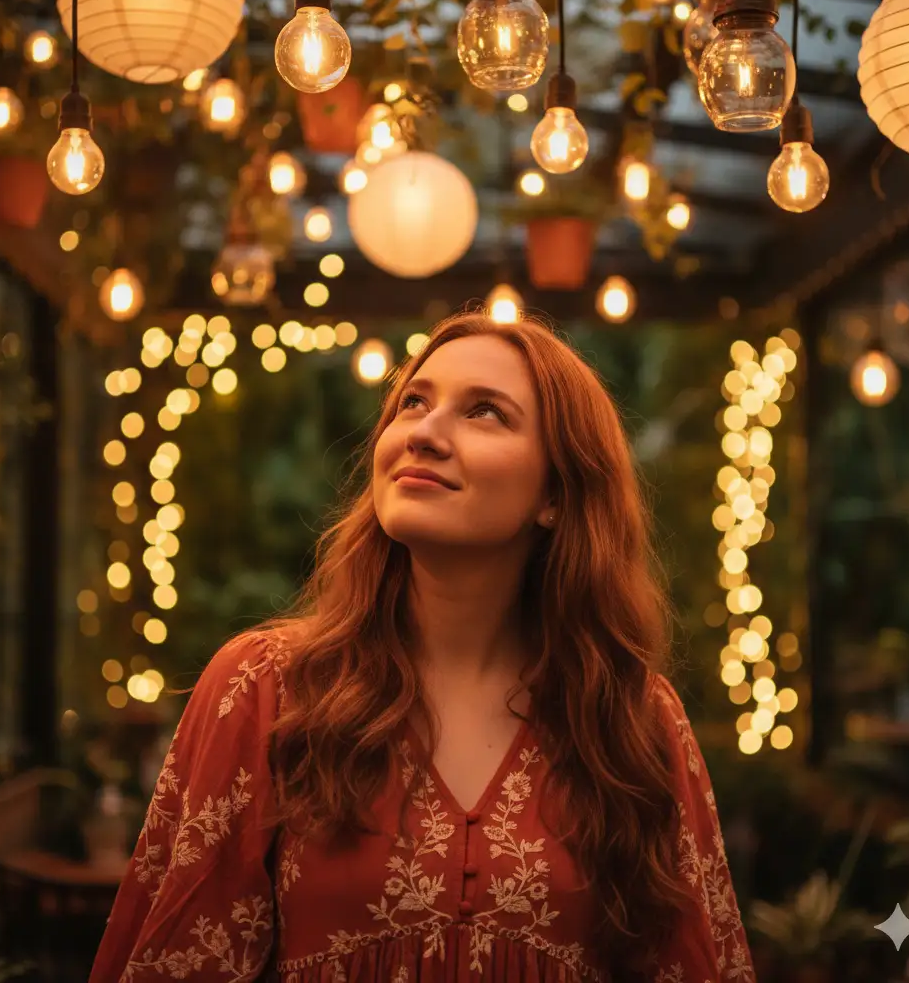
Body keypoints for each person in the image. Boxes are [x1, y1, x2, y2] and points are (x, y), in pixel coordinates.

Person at [89, 309, 755, 982]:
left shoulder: (633, 718)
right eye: (413, 402)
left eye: (484, 412)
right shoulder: (265, 687)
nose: (425, 434)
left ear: (554, 493)